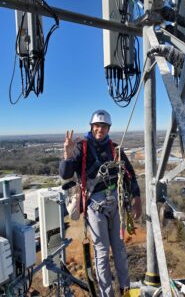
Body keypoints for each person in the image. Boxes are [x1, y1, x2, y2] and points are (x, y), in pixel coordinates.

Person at [59, 109, 142, 297]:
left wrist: (137, 199)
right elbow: (65, 174)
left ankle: (125, 290)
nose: (100, 129)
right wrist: (67, 155)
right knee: (102, 253)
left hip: (116, 204)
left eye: (103, 126)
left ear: (108, 128)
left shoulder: (115, 148)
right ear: (92, 127)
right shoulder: (82, 148)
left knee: (120, 250)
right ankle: (107, 294)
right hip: (95, 207)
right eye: (97, 126)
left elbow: (130, 175)